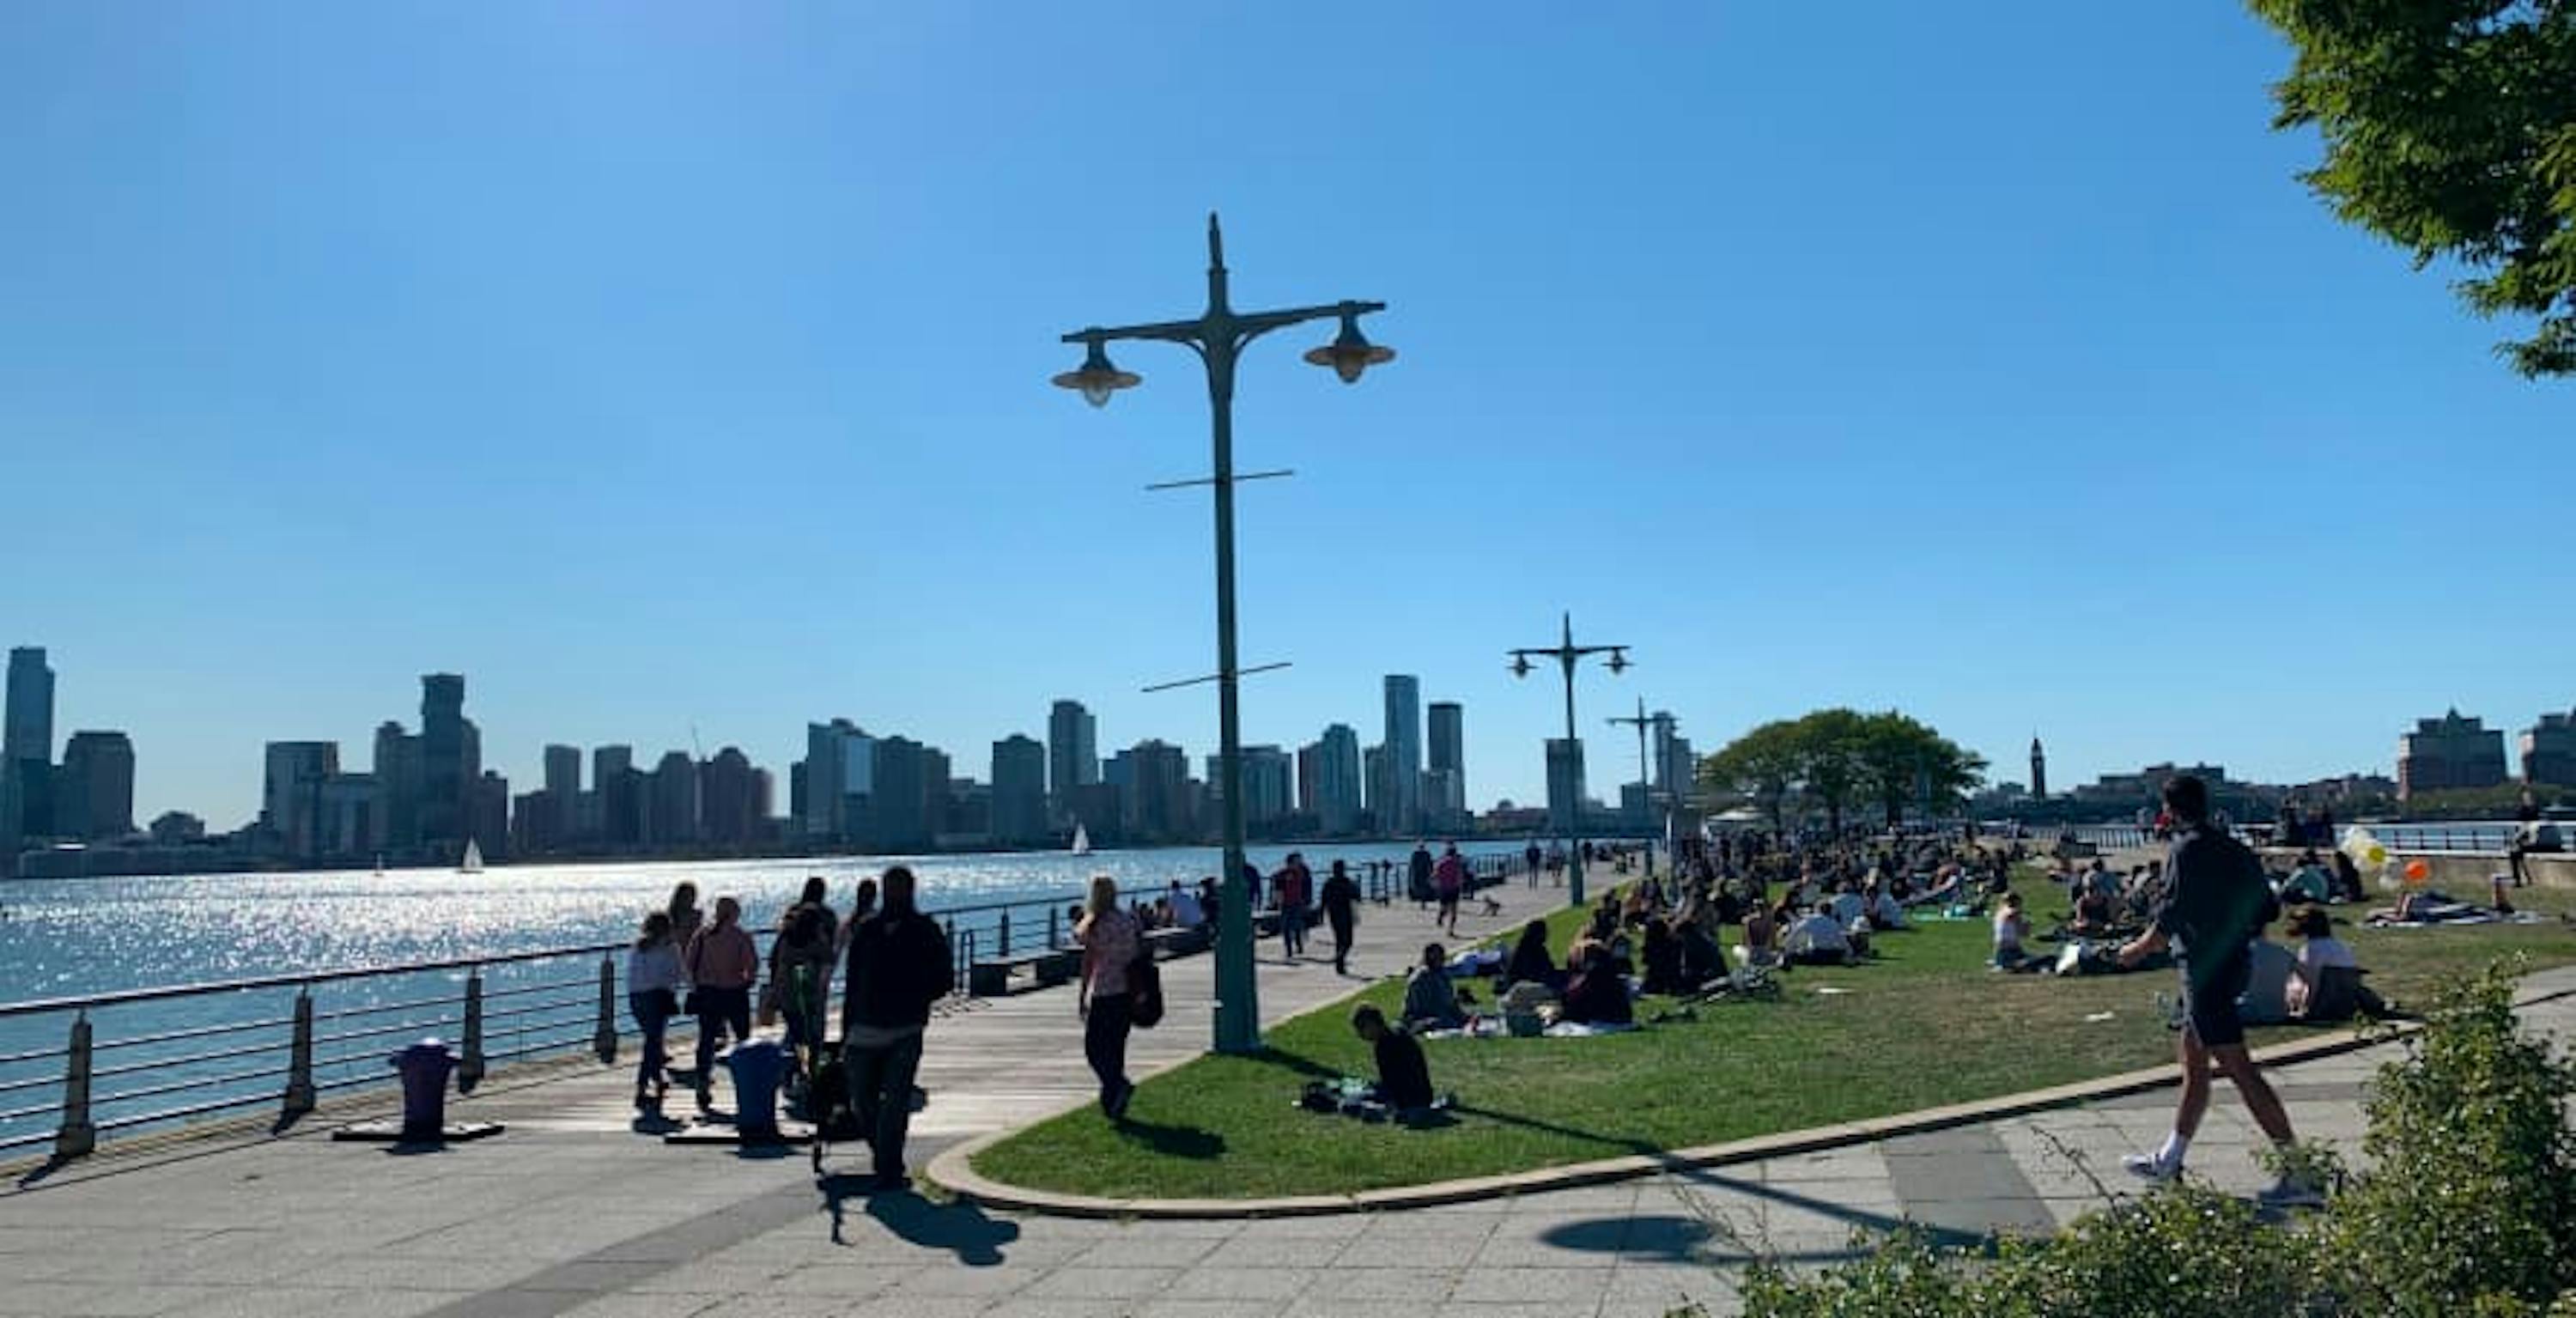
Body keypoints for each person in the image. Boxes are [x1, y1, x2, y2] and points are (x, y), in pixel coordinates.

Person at [2117, 775, 2318, 1206]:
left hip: (2205, 971)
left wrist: (2133, 951)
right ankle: (2170, 1158)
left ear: (2168, 810)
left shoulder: (2184, 851)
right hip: (2232, 963)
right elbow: (2267, 906)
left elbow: (2169, 916)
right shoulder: (2234, 848)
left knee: (2239, 1069)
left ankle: (2300, 1173)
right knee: (2193, 1058)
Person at [840, 866, 952, 1190]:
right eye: (889, 888)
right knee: (861, 1101)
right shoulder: (867, 930)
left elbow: (944, 977)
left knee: (897, 1100)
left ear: (911, 890)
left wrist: (916, 997)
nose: (894, 895)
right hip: (864, 1028)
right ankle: (884, 1155)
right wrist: (847, 1028)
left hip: (905, 1028)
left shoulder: (925, 930)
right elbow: (852, 980)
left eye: (900, 888)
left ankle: (888, 1167)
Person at [1075, 875, 1143, 1120]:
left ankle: (1117, 1085)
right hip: (1128, 991)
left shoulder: (1095, 925)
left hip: (1105, 992)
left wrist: (1082, 994)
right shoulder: (1128, 919)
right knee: (1116, 1049)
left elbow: (1088, 962)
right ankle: (1113, 1103)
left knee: (1094, 1048)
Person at [683, 896, 757, 1113]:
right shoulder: (740, 936)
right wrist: (747, 981)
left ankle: (702, 1082)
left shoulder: (703, 934)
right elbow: (751, 966)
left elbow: (689, 963)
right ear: (735, 913)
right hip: (734, 992)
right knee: (743, 1039)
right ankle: (749, 1083)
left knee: (706, 1039)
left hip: (708, 993)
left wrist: (699, 983)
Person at [627, 911, 683, 1109]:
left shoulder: (638, 947)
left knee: (653, 1040)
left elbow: (634, 976)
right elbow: (676, 974)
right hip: (658, 997)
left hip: (636, 997)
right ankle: (642, 1085)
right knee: (653, 1042)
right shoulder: (670, 948)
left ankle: (657, 1079)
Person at [1352, 1004, 1434, 1112]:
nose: (1360, 1035)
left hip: (1406, 1099)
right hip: (1424, 1095)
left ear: (1372, 1024)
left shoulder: (1384, 1045)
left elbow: (1390, 1083)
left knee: (1351, 1101)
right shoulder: (1398, 1032)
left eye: (1362, 1028)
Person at [1559, 944, 1633, 1025]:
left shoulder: (1588, 982)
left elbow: (1572, 1009)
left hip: (1597, 1019)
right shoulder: (1615, 980)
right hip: (1618, 1020)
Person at [1401, 943, 1467, 1031]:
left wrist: (1461, 1015)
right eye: (1437, 957)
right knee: (1445, 1023)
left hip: (1441, 1015)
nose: (1442, 960)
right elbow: (1422, 1008)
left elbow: (1451, 1002)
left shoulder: (1442, 975)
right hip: (1422, 1018)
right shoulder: (1421, 978)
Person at [1319, 859, 1360, 975]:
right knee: (1346, 940)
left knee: (1341, 940)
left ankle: (1340, 961)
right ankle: (1340, 960)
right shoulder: (1344, 882)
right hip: (1341, 914)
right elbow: (1356, 897)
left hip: (1338, 914)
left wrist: (1321, 914)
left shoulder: (1331, 883)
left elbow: (1323, 901)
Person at [1275, 852, 1313, 959]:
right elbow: (1279, 890)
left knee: (1297, 925)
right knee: (1286, 927)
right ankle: (1289, 950)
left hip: (1298, 902)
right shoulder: (1282, 874)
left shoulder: (1302, 872)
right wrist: (1279, 903)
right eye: (1297, 861)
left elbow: (1307, 887)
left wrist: (1307, 900)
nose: (1300, 862)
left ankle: (1299, 946)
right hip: (1286, 903)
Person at [1504, 919, 1558, 990]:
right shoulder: (1525, 950)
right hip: (1522, 985)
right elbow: (1530, 973)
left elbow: (1549, 968)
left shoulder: (1538, 948)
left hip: (1535, 980)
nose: (1546, 934)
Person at [1432, 844, 1469, 937]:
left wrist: (1437, 884)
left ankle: (1441, 916)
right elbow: (1460, 877)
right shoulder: (1457, 863)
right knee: (1453, 910)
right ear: (1455, 853)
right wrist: (1461, 886)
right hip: (1454, 889)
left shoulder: (1441, 863)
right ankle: (1450, 930)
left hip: (1443, 888)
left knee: (1444, 907)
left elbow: (1434, 875)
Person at [1409, 842, 1436, 907]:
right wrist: (1432, 872)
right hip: (1424, 873)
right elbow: (1430, 864)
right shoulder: (1426, 854)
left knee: (1421, 888)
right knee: (1423, 888)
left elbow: (1412, 864)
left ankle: (1422, 901)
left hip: (1419, 873)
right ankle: (1423, 902)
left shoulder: (1416, 854)